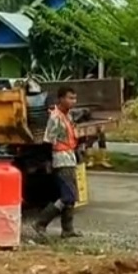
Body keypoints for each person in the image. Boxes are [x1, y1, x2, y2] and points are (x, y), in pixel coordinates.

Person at [31, 86, 83, 240]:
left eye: (74, 98)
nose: (73, 101)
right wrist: (48, 161)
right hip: (61, 159)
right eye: (69, 98)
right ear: (60, 99)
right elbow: (48, 141)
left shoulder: (67, 116)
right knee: (68, 196)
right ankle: (41, 222)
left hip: (70, 157)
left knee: (71, 197)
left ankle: (68, 230)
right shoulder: (55, 117)